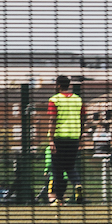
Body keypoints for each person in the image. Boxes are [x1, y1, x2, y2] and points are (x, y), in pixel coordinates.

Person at [46, 76, 83, 204]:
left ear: (58, 85)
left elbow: (52, 120)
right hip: (74, 137)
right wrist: (80, 137)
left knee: (57, 170)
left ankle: (59, 198)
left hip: (59, 137)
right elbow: (83, 119)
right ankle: (77, 183)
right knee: (70, 167)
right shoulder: (78, 100)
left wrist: (51, 140)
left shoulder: (54, 100)